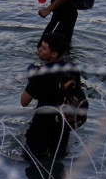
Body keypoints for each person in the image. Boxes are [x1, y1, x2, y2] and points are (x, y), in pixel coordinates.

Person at [21, 32, 75, 162]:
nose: (39, 49)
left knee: (32, 162)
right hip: (63, 127)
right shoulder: (72, 68)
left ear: (54, 54)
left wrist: (32, 78)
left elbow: (24, 101)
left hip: (41, 128)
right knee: (58, 161)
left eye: (44, 48)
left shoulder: (41, 74)